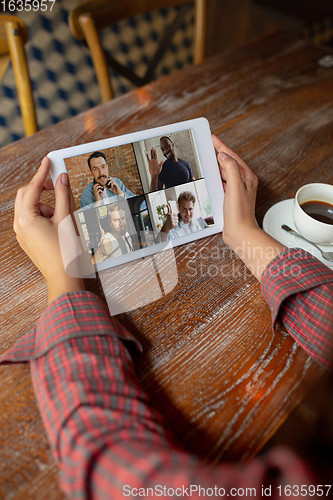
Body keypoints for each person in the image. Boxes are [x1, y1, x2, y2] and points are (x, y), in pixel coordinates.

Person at [2, 136, 332, 500]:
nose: (99, 173)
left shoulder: (127, 186)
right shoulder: (85, 195)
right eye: (94, 169)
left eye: (102, 168)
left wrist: (63, 277)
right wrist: (246, 234)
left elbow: (106, 464)